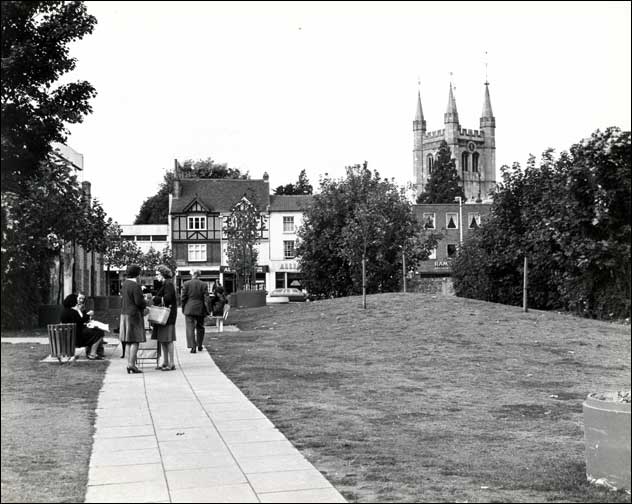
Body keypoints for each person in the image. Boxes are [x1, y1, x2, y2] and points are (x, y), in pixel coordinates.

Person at [119, 264, 147, 373]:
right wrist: (145, 302)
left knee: (128, 340)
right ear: (137, 274)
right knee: (135, 340)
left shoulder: (124, 284)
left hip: (124, 314)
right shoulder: (135, 285)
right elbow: (139, 302)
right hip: (134, 315)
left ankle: (129, 363)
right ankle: (131, 365)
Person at [60, 293, 104, 360]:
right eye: (76, 300)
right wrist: (88, 315)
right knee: (100, 332)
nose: (77, 301)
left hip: (69, 336)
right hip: (77, 338)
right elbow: (82, 320)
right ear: (72, 301)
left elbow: (78, 321)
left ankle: (92, 353)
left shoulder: (64, 312)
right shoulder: (73, 312)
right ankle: (92, 354)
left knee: (93, 331)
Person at [151, 265, 177, 371]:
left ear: (162, 274)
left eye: (158, 274)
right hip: (165, 316)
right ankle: (166, 361)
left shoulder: (168, 283)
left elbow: (168, 298)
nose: (156, 276)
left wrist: (155, 298)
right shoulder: (166, 283)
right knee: (163, 339)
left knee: (168, 339)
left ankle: (171, 363)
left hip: (167, 316)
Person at [181, 268, 209, 353]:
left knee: (190, 328)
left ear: (191, 274)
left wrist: (183, 307)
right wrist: (207, 309)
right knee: (200, 327)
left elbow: (183, 297)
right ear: (199, 275)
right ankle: (200, 345)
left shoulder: (186, 284)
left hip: (189, 307)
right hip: (200, 308)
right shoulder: (204, 284)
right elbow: (206, 298)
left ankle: (193, 347)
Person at [77, 293, 107, 357]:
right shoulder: (75, 308)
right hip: (78, 333)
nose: (81, 300)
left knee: (98, 329)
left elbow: (83, 319)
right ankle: (93, 352)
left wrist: (88, 319)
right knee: (98, 332)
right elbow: (79, 320)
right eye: (80, 298)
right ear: (76, 298)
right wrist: (87, 315)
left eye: (83, 299)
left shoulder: (82, 306)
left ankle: (98, 351)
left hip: (82, 329)